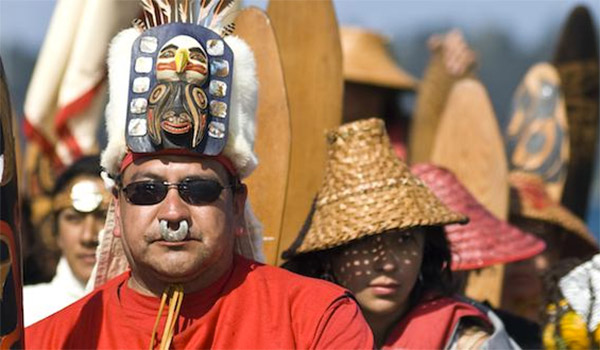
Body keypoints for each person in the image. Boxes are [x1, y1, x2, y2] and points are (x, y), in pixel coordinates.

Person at [25, 2, 373, 349]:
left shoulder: (317, 320)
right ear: (117, 207)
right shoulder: (50, 340)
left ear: (237, 205)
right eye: (147, 191)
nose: (173, 213)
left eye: (199, 190)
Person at [283, 118, 518, 349]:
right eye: (364, 243)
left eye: (405, 240)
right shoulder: (296, 330)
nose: (387, 264)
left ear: (426, 249)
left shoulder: (466, 343)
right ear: (329, 255)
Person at [23, 155, 110, 326]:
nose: (88, 236)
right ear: (55, 231)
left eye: (103, 217)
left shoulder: (153, 312)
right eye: (74, 218)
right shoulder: (22, 312)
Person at [501, 171, 598, 325]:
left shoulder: (575, 325)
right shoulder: (472, 325)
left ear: (557, 250)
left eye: (536, 243)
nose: (522, 257)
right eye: (507, 242)